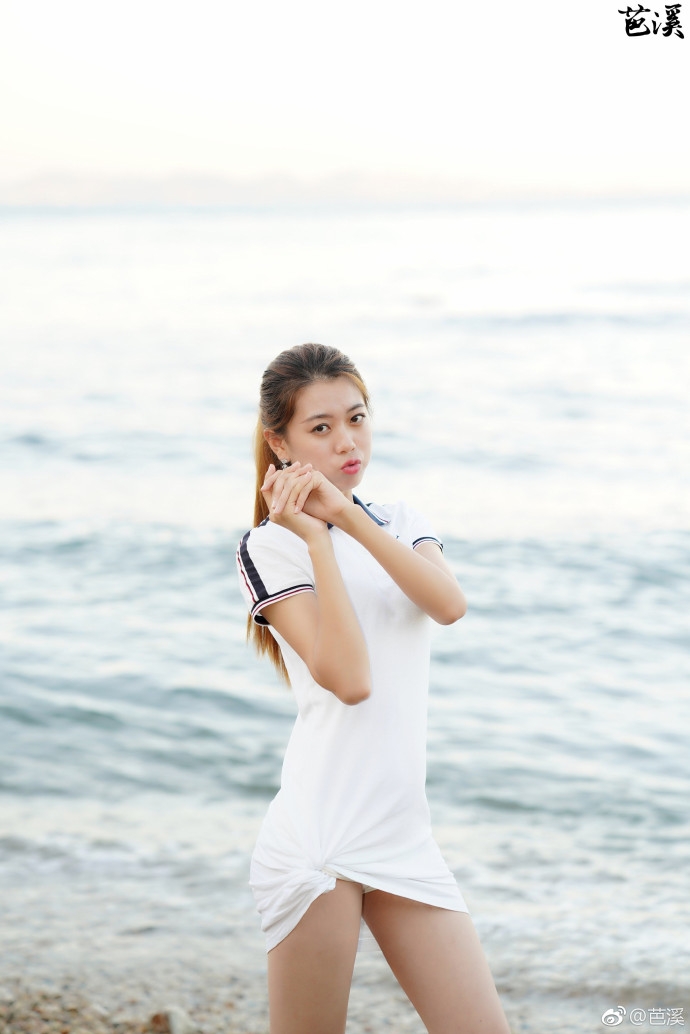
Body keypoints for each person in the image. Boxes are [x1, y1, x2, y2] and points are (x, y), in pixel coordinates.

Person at [236, 343, 510, 1034]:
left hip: (400, 834)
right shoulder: (270, 547)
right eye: (320, 428)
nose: (346, 441)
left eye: (356, 419)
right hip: (320, 841)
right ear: (280, 441)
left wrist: (349, 519)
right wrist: (319, 540)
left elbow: (448, 605)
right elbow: (350, 681)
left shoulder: (399, 520)